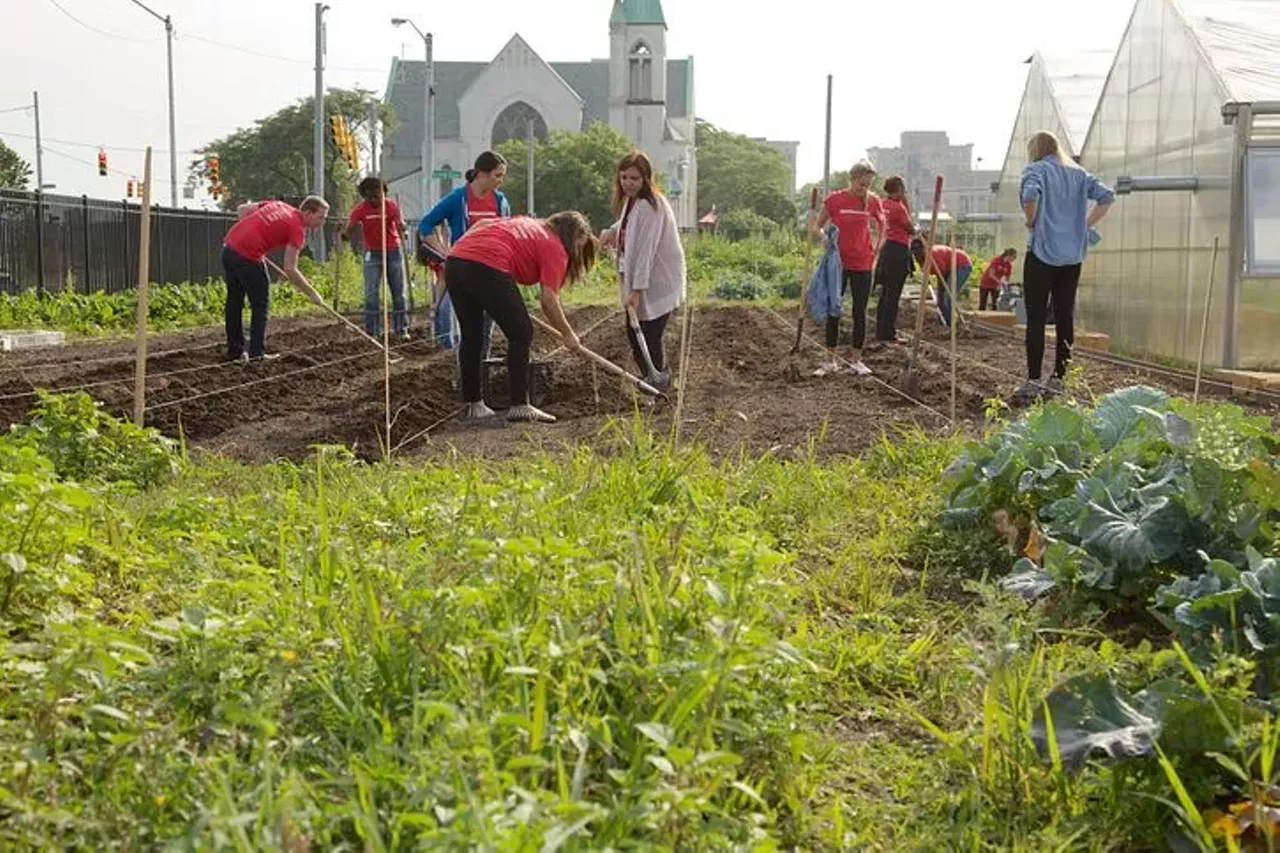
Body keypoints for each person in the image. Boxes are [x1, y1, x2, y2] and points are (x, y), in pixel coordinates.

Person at [444, 212, 596, 424]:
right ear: (575, 236)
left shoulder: (527, 223)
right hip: (487, 265)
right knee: (521, 332)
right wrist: (568, 334)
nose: (578, 252)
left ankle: (474, 405)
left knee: (472, 334)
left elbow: (483, 223)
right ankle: (520, 405)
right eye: (580, 245)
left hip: (455, 261)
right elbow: (549, 300)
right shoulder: (555, 247)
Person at [1016, 131, 1114, 403]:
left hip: (1042, 252)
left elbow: (1030, 195)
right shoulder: (1079, 174)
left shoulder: (1036, 169)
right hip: (1072, 255)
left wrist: (1032, 220)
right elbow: (1106, 197)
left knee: (1035, 317)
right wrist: (1084, 226)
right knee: (1065, 316)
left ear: (1035, 150)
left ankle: (1033, 379)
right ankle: (1059, 378)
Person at [600, 150, 685, 392]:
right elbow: (628, 224)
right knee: (635, 332)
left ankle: (659, 383)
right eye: (624, 177)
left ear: (646, 179)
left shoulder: (652, 205)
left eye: (634, 179)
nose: (628, 183)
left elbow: (646, 250)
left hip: (658, 279)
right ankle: (654, 378)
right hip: (642, 277)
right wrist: (611, 232)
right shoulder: (633, 202)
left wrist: (637, 290)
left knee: (648, 334)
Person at [418, 151, 512, 351]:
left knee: (485, 328)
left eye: (502, 176)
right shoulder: (458, 199)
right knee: (458, 320)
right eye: (497, 175)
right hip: (463, 270)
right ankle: (457, 363)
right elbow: (426, 224)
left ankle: (480, 372)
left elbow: (506, 233)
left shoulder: (501, 202)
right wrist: (443, 252)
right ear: (481, 174)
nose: (500, 181)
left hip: (491, 271)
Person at [221, 195, 329, 362]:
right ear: (308, 212)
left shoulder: (279, 205)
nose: (322, 222)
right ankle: (257, 354)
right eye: (320, 217)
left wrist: (252, 237)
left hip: (229, 248)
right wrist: (312, 293)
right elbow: (290, 269)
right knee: (260, 304)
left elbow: (242, 209)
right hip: (248, 256)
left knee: (234, 302)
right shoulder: (297, 229)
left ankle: (235, 352)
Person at [809, 160, 884, 376]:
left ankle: (856, 360)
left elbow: (882, 228)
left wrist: (876, 250)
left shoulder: (873, 202)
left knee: (859, 311)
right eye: (862, 183)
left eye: (868, 184)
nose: (865, 188)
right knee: (835, 308)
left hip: (863, 263)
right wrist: (823, 237)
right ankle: (830, 360)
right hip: (838, 264)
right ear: (852, 179)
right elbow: (817, 227)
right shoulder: (835, 200)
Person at [341, 177, 408, 340]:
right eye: (369, 197)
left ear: (383, 193)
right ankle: (373, 331)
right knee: (371, 292)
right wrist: (345, 234)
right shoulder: (361, 209)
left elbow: (400, 224)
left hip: (392, 250)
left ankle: (401, 329)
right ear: (364, 196)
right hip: (372, 253)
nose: (374, 200)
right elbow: (350, 227)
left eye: (377, 196)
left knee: (398, 292)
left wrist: (402, 228)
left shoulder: (391, 206)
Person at [874, 175, 915, 342]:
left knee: (885, 293)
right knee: (894, 293)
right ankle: (889, 334)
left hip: (886, 249)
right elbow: (910, 228)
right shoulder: (899, 208)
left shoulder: (883, 205)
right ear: (899, 189)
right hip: (898, 250)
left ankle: (881, 331)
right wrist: (905, 203)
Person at [911, 237, 972, 327]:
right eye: (915, 252)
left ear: (923, 248)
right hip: (948, 270)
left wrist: (941, 287)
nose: (917, 254)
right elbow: (926, 270)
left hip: (961, 265)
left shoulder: (933, 254)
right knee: (940, 298)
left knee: (948, 296)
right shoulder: (919, 257)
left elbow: (941, 271)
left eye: (919, 250)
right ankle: (942, 322)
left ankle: (951, 324)